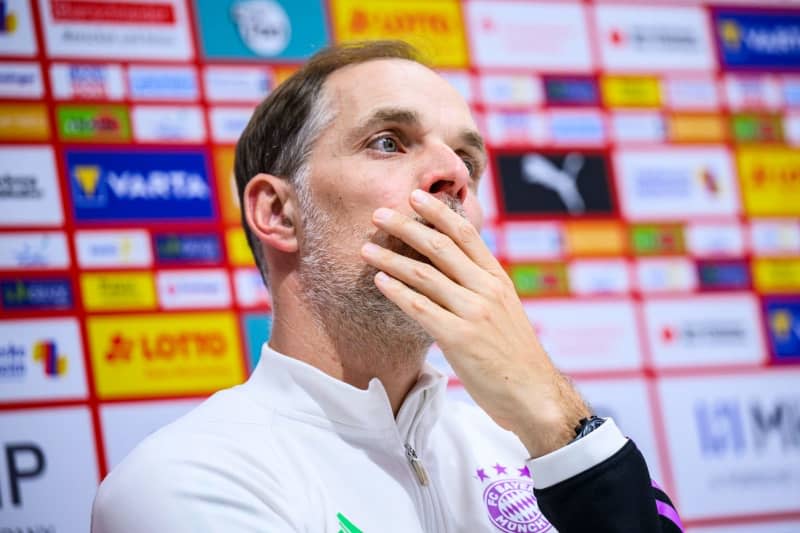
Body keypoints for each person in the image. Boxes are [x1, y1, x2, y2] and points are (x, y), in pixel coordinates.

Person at [91, 41, 683, 533]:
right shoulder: (186, 480)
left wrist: (554, 414)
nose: (454, 176)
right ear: (278, 212)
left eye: (467, 161)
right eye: (389, 142)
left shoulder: (540, 450)